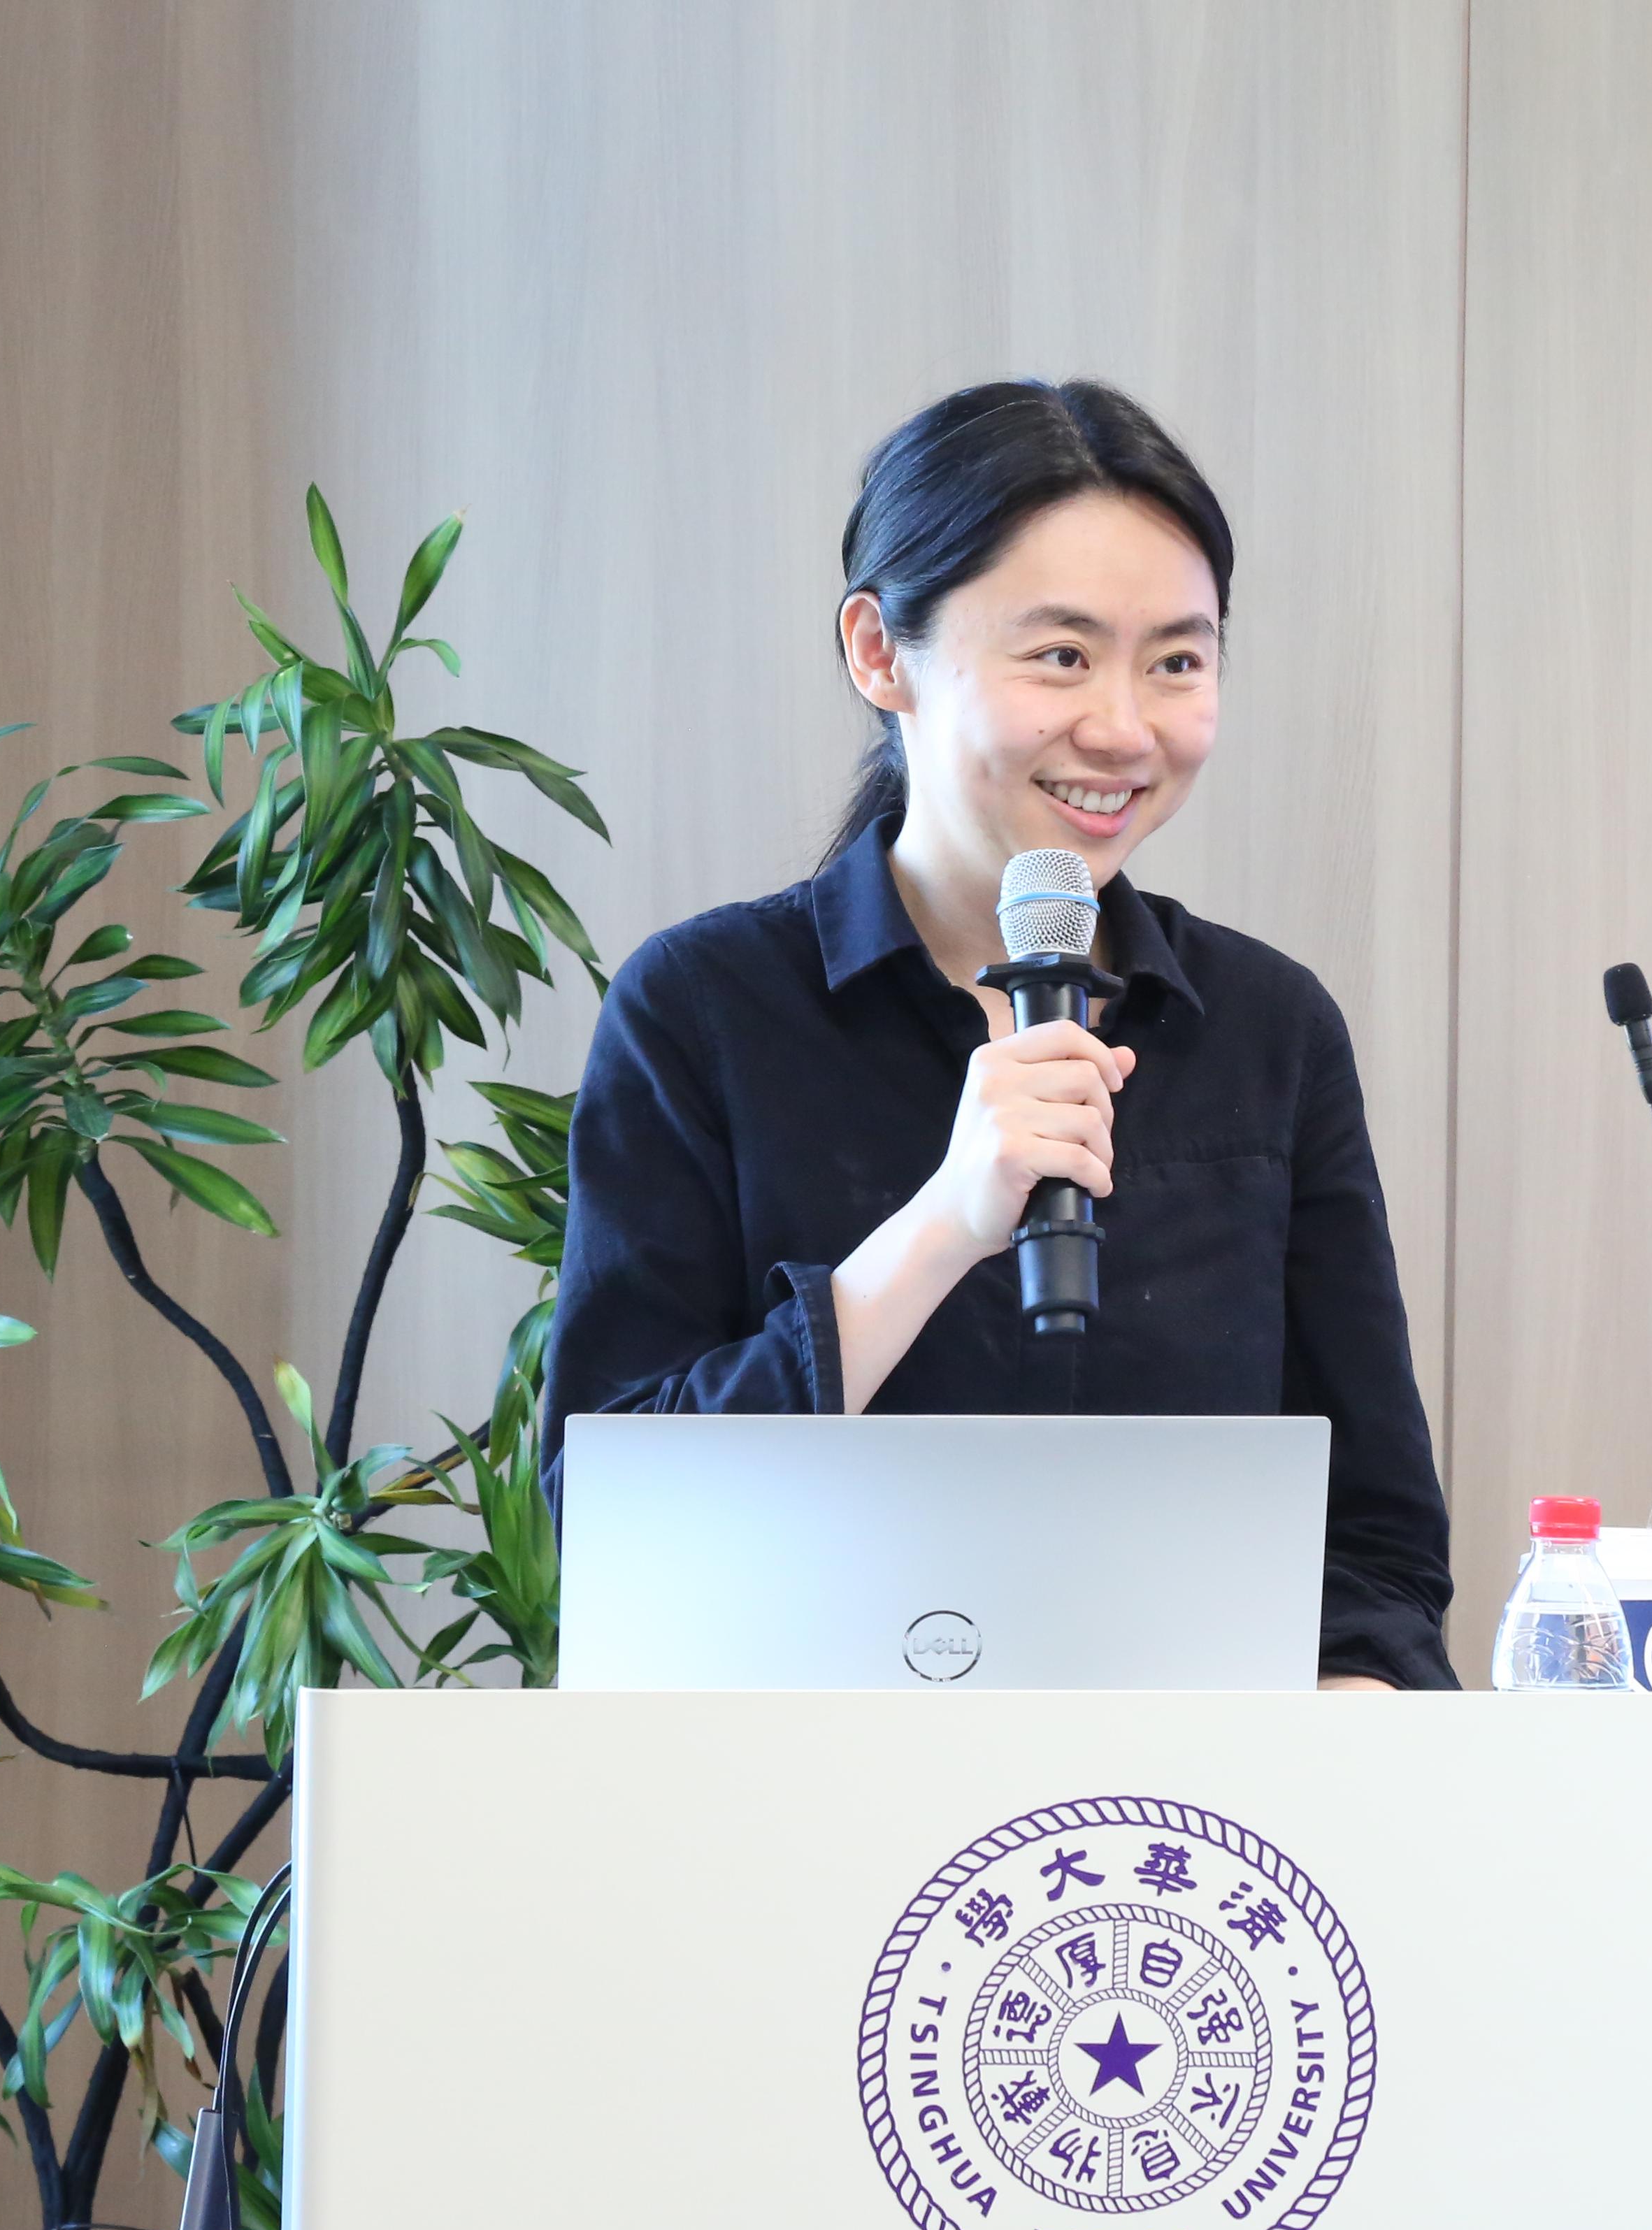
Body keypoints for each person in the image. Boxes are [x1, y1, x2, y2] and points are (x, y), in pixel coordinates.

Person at [544, 379, 1455, 1691]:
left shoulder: (1269, 1031)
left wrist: (1342, 1710)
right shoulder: (704, 1008)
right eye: (1062, 656)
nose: (1124, 729)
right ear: (879, 651)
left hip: (1169, 1802)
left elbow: (1373, 1545)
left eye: (1177, 661)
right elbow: (612, 1518)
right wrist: (941, 1227)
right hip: (794, 1782)